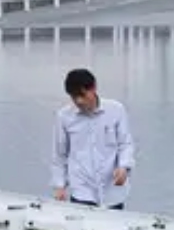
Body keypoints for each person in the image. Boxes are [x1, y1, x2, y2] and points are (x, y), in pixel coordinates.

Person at [49, 68, 135, 210]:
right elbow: (60, 154)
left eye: (82, 95)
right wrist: (59, 185)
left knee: (113, 229)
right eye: (74, 97)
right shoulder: (64, 116)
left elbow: (125, 144)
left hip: (112, 189)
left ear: (93, 88)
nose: (79, 101)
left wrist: (124, 167)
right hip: (82, 190)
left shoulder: (116, 110)